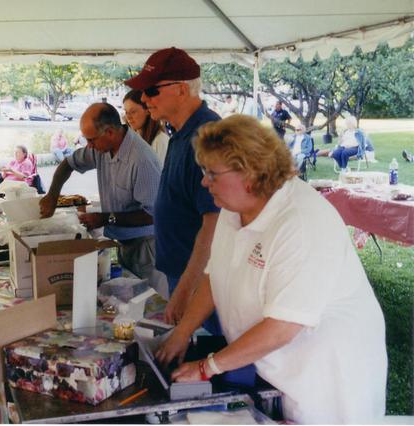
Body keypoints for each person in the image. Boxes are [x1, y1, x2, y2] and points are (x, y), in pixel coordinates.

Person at [156, 114, 387, 424]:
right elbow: (216, 276)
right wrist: (183, 332)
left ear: (250, 175)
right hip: (277, 365)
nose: (203, 182)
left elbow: (282, 327)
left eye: (211, 173)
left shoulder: (301, 222)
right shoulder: (233, 206)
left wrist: (208, 367)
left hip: (326, 377)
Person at [124, 47, 221, 330]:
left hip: (201, 279)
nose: (143, 98)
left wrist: (185, 288)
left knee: (209, 353)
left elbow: (214, 223)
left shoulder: (207, 136)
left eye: (151, 90)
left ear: (181, 89)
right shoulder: (180, 133)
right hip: (182, 271)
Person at [39, 103, 161, 282]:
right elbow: (68, 164)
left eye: (91, 140)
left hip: (148, 248)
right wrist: (52, 195)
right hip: (124, 244)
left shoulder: (142, 160)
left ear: (110, 132)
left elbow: (153, 215)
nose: (89, 146)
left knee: (149, 305)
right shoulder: (101, 149)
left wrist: (105, 218)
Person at [123, 89, 170, 167]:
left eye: (133, 112)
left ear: (148, 110)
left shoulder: (161, 141)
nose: (128, 117)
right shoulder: (131, 139)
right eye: (126, 112)